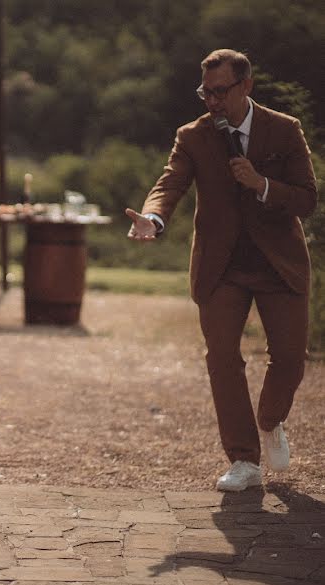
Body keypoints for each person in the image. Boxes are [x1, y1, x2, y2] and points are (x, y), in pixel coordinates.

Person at [125, 49, 318, 492]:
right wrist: (152, 219)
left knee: (290, 360)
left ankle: (270, 422)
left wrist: (262, 184)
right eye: (205, 92)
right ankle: (244, 460)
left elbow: (307, 199)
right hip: (222, 266)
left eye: (220, 92)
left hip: (278, 263)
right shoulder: (192, 136)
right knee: (222, 358)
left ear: (246, 86)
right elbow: (170, 183)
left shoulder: (284, 130)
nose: (212, 101)